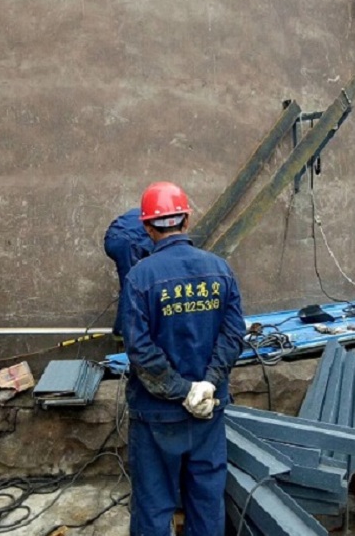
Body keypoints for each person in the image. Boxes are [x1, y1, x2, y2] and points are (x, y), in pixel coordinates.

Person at [120, 181, 246, 536]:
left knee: (153, 507)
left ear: (148, 228)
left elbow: (140, 350)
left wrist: (180, 390)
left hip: (156, 417)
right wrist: (206, 385)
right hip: (208, 410)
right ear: (186, 220)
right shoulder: (220, 270)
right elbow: (233, 334)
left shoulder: (139, 278)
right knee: (206, 503)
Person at [103, 208, 154, 337]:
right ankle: (122, 330)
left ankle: (123, 328)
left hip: (111, 240)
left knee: (130, 284)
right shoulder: (160, 224)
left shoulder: (144, 211)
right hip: (126, 242)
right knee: (132, 287)